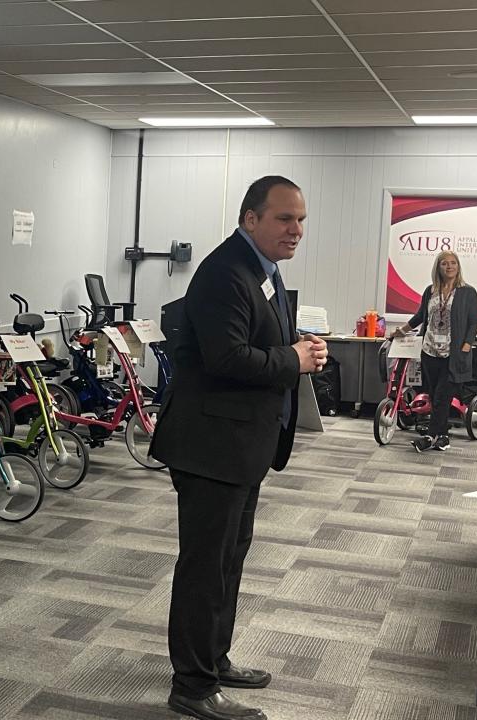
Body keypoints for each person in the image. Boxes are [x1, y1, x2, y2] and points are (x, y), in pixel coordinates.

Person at [150, 176, 327, 720]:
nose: (295, 230)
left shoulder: (261, 271)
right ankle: (193, 687)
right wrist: (293, 359)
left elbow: (258, 343)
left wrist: (297, 348)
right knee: (205, 567)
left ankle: (213, 660)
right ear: (251, 219)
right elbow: (227, 358)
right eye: (283, 218)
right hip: (210, 446)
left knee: (228, 561)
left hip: (241, 445)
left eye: (300, 219)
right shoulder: (226, 272)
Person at [391, 251, 477, 452]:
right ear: (438, 268)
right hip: (429, 351)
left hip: (453, 354)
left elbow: (473, 322)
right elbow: (420, 316)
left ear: (458, 266)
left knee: (441, 395)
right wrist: (401, 330)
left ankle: (430, 436)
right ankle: (444, 437)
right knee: (435, 396)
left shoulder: (468, 292)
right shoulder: (430, 291)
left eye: (453, 263)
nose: (449, 267)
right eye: (444, 263)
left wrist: (466, 345)